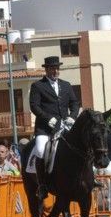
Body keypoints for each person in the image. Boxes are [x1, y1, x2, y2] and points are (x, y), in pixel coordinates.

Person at [29, 56, 80, 199]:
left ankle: (89, 179)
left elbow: (74, 103)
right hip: (45, 128)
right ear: (46, 69)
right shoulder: (38, 86)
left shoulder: (67, 85)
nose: (55, 71)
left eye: (57, 68)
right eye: (52, 68)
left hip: (64, 126)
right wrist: (48, 118)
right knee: (40, 150)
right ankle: (42, 185)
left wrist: (72, 116)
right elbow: (34, 106)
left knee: (82, 145)